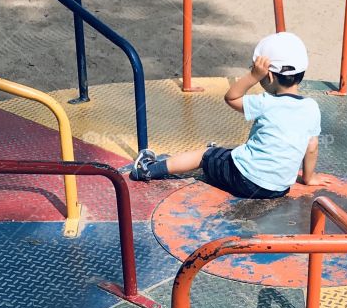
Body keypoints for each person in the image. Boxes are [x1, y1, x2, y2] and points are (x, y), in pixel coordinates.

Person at [130, 31, 322, 199]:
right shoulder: (312, 108)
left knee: (205, 155)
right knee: (234, 152)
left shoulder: (265, 102)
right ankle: (220, 156)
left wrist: (252, 76)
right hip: (278, 188)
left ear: (269, 76)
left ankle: (147, 169)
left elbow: (231, 97)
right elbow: (312, 146)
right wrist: (308, 178)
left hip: (245, 180)